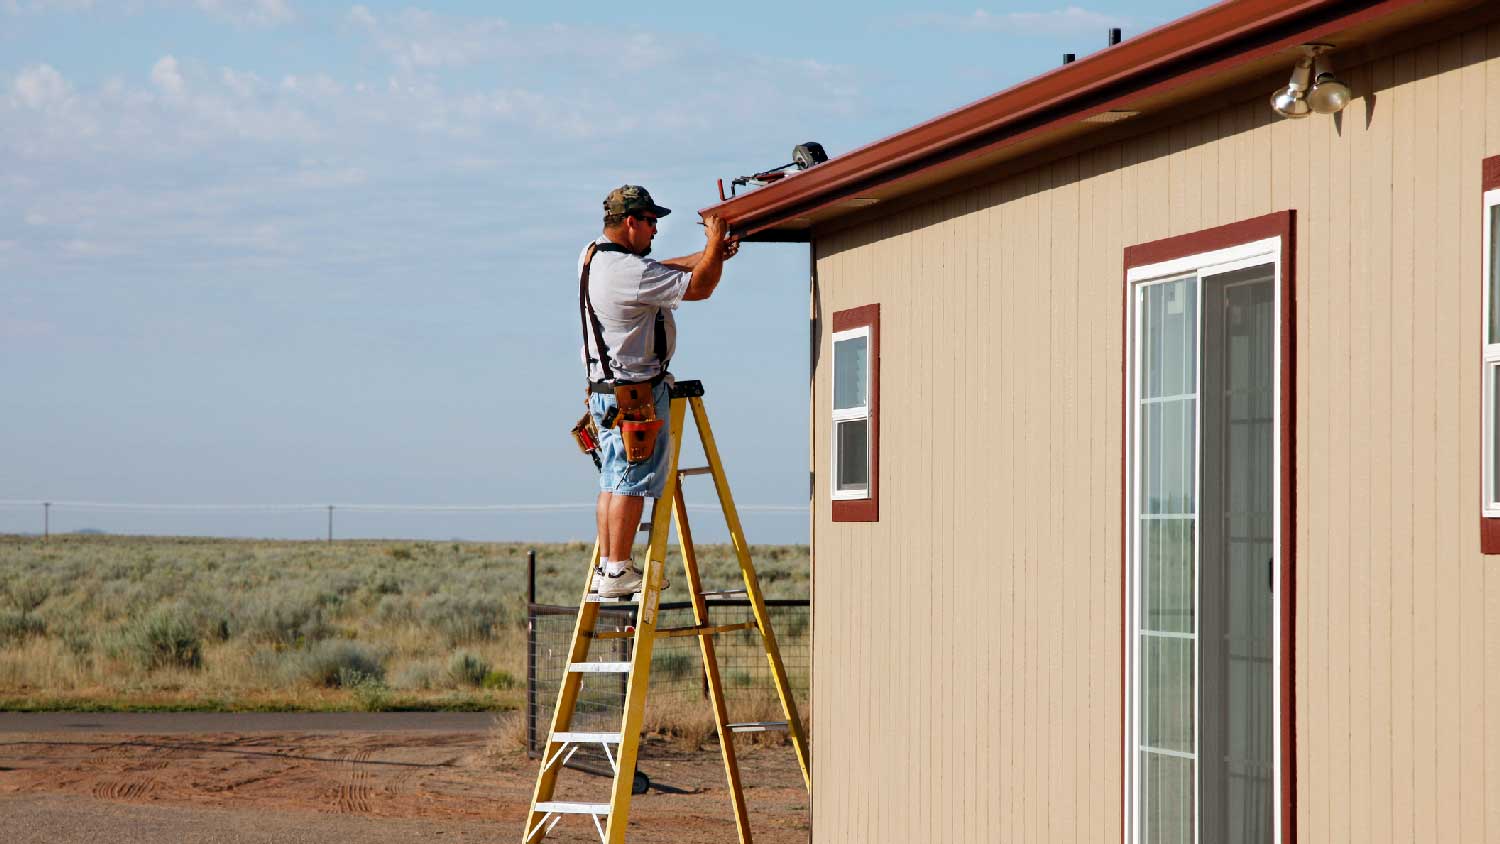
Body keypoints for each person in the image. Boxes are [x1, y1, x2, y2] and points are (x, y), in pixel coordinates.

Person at [578, 185, 738, 597]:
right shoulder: (630, 273)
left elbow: (661, 268)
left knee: (613, 481)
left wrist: (709, 256)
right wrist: (713, 248)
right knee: (631, 481)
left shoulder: (596, 256)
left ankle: (607, 567)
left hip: (605, 390)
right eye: (650, 222)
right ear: (631, 221)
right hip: (636, 395)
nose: (654, 231)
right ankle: (617, 570)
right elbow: (700, 288)